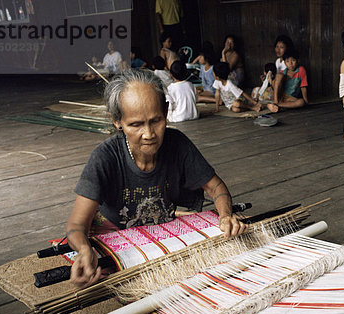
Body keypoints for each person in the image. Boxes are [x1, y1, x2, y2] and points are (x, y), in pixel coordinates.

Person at [66, 69, 246, 287]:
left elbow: (216, 187)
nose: (149, 134)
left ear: (167, 111)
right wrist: (85, 249)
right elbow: (77, 224)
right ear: (117, 122)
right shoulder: (106, 157)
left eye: (156, 121)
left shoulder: (177, 144)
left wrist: (226, 216)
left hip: (160, 236)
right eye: (135, 125)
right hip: (115, 242)